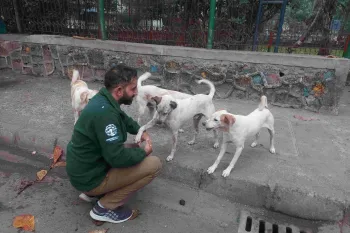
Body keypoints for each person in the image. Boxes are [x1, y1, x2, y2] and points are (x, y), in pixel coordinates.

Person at [66, 64, 162, 224]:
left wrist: (141, 130)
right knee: (154, 165)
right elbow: (117, 158)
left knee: (131, 149)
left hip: (84, 170)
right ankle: (103, 208)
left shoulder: (102, 99)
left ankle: (91, 194)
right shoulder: (106, 114)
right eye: (133, 89)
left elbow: (123, 118)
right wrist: (144, 152)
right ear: (119, 91)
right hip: (88, 178)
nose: (136, 93)